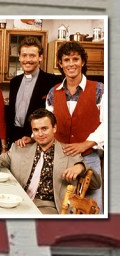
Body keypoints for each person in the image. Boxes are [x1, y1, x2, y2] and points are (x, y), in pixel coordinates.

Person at [0, 110, 100, 215]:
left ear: (54, 128)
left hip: (47, 207)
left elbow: (96, 184)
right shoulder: (21, 148)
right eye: (36, 130)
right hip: (16, 200)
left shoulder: (69, 153)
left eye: (44, 128)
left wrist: (81, 167)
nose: (40, 134)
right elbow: (0, 159)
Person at [44, 41, 105, 211]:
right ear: (60, 64)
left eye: (75, 59)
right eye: (66, 60)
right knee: (63, 206)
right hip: (62, 158)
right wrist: (33, 137)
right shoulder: (53, 92)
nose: (71, 64)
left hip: (89, 158)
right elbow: (48, 125)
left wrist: (85, 144)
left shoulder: (99, 90)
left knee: (91, 208)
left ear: (82, 62)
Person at [6, 36, 59, 146]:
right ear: (19, 57)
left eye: (32, 55)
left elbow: (55, 116)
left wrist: (34, 137)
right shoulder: (14, 82)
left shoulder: (52, 81)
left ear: (40, 57)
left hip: (38, 139)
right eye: (24, 55)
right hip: (15, 139)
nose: (28, 60)